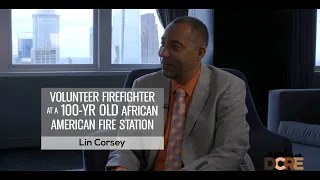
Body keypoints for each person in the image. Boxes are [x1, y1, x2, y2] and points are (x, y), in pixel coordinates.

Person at [105, 16, 255, 171]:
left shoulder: (228, 86)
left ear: (199, 53)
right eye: (163, 44)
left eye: (175, 46)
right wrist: (121, 167)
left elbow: (230, 150)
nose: (163, 53)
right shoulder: (144, 85)